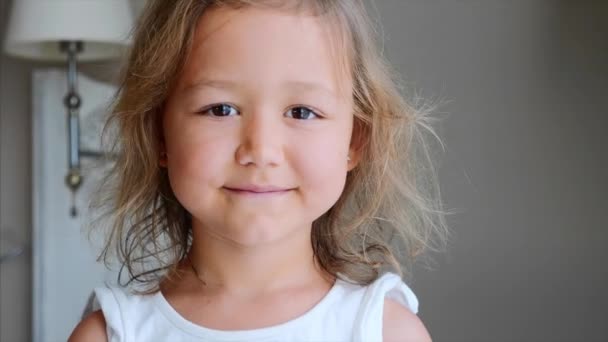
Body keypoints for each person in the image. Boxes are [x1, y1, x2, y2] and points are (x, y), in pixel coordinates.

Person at [69, 0, 448, 341]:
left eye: (302, 112)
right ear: (159, 134)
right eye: (220, 109)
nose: (260, 151)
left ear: (354, 142)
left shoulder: (386, 332)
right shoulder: (112, 334)